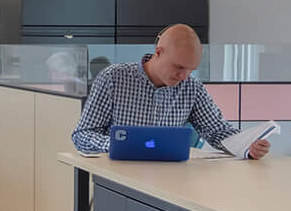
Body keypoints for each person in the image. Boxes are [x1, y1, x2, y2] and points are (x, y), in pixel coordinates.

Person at [71, 24, 270, 158]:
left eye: (191, 69)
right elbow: (82, 135)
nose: (184, 76)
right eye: (179, 67)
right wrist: (119, 145)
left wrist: (247, 147)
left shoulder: (191, 88)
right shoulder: (114, 78)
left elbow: (218, 132)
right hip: (119, 177)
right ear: (158, 52)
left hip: (170, 181)